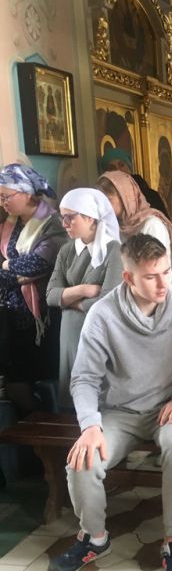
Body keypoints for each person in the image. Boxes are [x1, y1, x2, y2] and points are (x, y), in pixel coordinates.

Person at [48, 234, 172, 571]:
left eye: (166, 272)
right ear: (128, 277)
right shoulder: (103, 314)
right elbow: (84, 378)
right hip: (118, 411)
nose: (163, 283)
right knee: (83, 460)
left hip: (168, 409)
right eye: (151, 276)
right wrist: (90, 426)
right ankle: (94, 537)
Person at [46, 188, 123, 410]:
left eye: (70, 217)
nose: (64, 224)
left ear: (90, 217)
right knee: (70, 397)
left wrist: (68, 301)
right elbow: (50, 296)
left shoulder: (114, 250)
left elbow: (108, 301)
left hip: (98, 331)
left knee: (98, 395)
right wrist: (83, 290)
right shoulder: (66, 250)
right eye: (62, 217)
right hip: (69, 333)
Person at [0, 164, 67, 414]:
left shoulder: (52, 223)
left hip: (42, 317)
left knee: (45, 379)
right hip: (13, 315)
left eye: (6, 196)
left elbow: (39, 263)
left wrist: (7, 266)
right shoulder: (10, 223)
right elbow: (22, 267)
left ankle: (50, 427)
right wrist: (13, 271)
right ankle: (33, 426)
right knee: (16, 382)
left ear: (27, 193)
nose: (2, 202)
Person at [96, 170, 172, 295]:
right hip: (128, 296)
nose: (102, 206)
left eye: (108, 200)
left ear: (125, 197)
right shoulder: (114, 226)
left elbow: (156, 271)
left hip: (155, 298)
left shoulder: (151, 225)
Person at [100, 147, 170, 219]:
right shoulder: (104, 199)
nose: (118, 170)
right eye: (112, 168)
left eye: (121, 165)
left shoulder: (151, 196)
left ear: (129, 169)